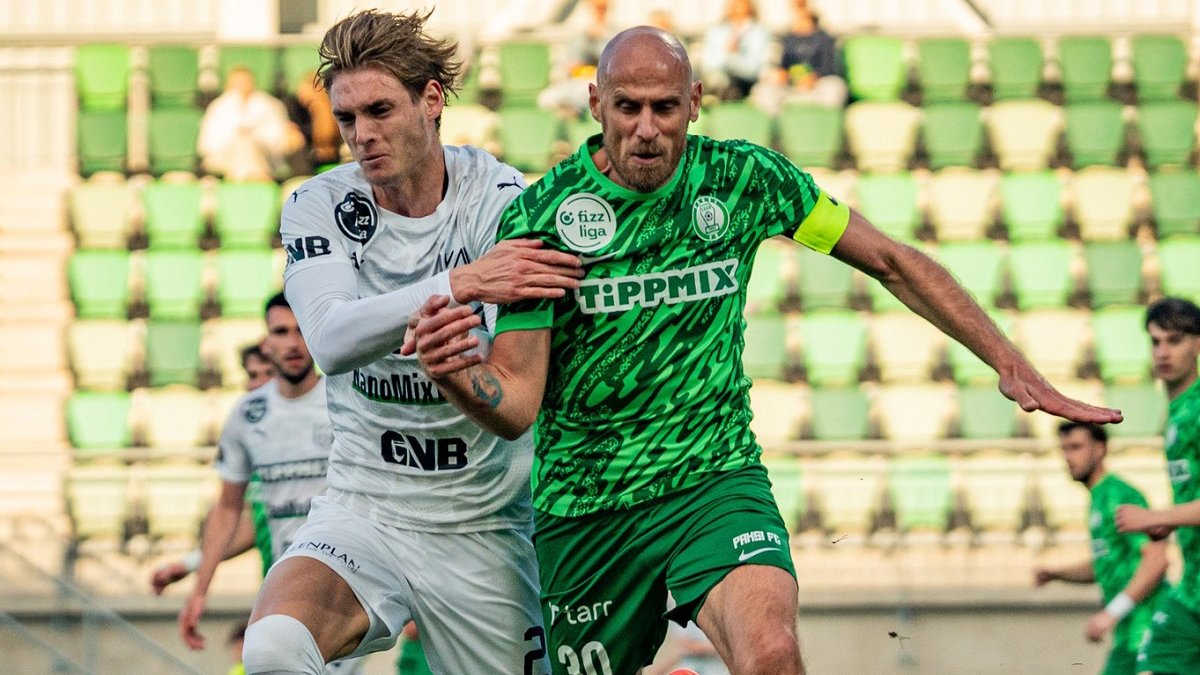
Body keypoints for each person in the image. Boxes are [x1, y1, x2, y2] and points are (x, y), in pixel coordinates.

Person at [407, 25, 1122, 675]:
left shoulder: (746, 181)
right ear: (595, 104)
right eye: (628, 107)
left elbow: (889, 261)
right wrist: (458, 374)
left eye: (665, 108)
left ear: (695, 103)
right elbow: (517, 405)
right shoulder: (543, 218)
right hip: (589, 508)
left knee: (773, 654)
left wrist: (1008, 361)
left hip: (714, 480)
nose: (647, 129)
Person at [239, 9, 582, 675]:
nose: (362, 135)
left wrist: (456, 355)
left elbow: (517, 402)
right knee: (274, 649)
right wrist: (461, 283)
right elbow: (330, 339)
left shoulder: (504, 201)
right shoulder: (317, 205)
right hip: (364, 511)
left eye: (379, 110)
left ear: (431, 100)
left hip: (485, 526)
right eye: (346, 118)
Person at [178, 293, 366, 673]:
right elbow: (228, 508)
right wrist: (199, 590)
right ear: (266, 343)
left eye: (301, 331)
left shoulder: (347, 401)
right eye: (282, 332)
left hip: (343, 582)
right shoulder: (249, 414)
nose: (293, 343)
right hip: (281, 582)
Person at [1034, 421, 1169, 675]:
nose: (1068, 457)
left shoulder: (1119, 495)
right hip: (1127, 635)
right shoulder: (1097, 499)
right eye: (1064, 449)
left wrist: (1111, 614)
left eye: (1076, 447)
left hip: (1150, 628)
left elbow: (1156, 560)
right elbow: (1104, 564)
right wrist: (1056, 573)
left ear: (1100, 449)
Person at [1115, 296, 1200, 674]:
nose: (1163, 352)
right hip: (1192, 589)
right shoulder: (1177, 413)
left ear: (1198, 344)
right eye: (1156, 341)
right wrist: (1171, 520)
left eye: (1175, 340)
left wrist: (1156, 516)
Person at [150, 342, 275, 595]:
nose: (259, 384)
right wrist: (189, 564)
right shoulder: (257, 448)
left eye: (269, 374)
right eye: (252, 376)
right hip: (279, 591)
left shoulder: (326, 426)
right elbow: (255, 525)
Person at [199, 65, 306, 181]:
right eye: (237, 82)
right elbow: (206, 145)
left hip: (265, 160)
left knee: (248, 146)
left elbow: (280, 141)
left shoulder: (271, 105)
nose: (242, 86)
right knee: (242, 144)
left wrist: (254, 138)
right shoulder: (217, 107)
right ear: (227, 84)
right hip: (226, 162)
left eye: (245, 81)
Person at [750, 0, 847, 114]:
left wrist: (814, 78)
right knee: (763, 90)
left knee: (835, 87)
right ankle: (777, 121)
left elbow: (828, 67)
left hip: (817, 88)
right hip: (788, 87)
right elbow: (775, 65)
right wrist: (780, 74)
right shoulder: (784, 38)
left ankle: (823, 119)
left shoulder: (825, 38)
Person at [537, 0, 619, 118]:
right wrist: (588, 38)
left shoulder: (615, 33)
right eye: (596, 8)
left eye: (602, 8)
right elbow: (572, 64)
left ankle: (580, 110)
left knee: (591, 92)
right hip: (580, 81)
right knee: (546, 97)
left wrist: (601, 37)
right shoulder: (580, 35)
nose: (599, 12)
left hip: (603, 83)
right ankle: (574, 110)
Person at [700, 0, 771, 101]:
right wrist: (727, 52)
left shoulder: (759, 32)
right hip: (719, 79)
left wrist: (733, 57)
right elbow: (708, 65)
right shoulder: (716, 31)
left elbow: (753, 70)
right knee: (716, 79)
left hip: (745, 82)